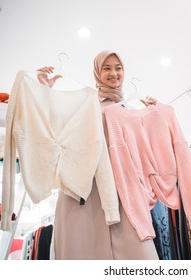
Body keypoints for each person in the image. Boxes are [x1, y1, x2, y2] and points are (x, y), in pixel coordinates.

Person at [37, 50, 159, 259]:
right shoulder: (87, 102)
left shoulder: (131, 106)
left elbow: (148, 147)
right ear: (97, 72)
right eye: (107, 68)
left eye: (118, 68)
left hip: (125, 188)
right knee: (84, 245)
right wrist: (43, 90)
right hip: (87, 189)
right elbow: (53, 124)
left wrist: (150, 114)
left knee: (138, 251)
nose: (114, 73)